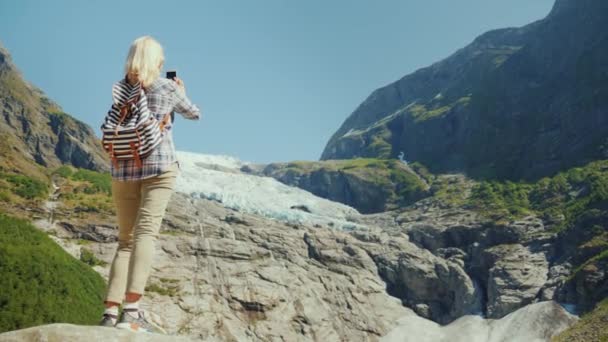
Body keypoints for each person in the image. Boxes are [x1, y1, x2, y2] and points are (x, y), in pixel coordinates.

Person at [99, 35, 201, 333]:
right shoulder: (166, 87)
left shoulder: (122, 88)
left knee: (125, 240)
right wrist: (181, 91)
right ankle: (132, 311)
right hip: (158, 166)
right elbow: (195, 113)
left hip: (123, 167)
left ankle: (109, 312)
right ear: (157, 60)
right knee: (146, 234)